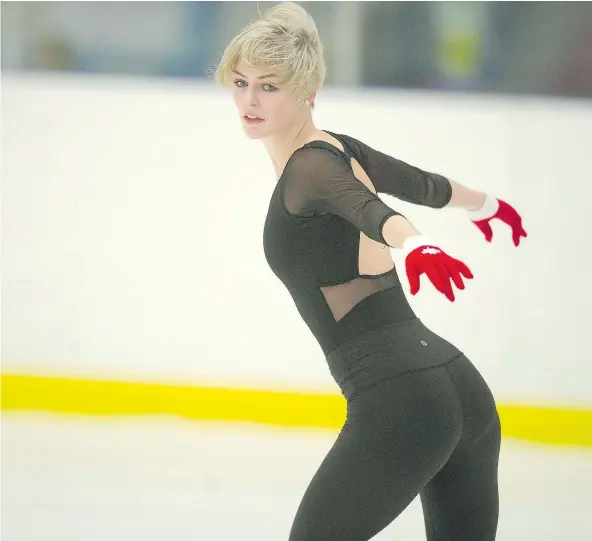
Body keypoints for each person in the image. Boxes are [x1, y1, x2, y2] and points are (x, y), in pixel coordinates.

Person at [214, 3, 527, 540]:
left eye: (269, 86)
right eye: (241, 83)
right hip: (457, 385)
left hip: (402, 400)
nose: (249, 100)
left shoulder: (310, 167)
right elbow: (424, 184)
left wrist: (416, 246)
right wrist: (488, 206)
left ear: (308, 90)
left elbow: (371, 209)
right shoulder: (340, 149)